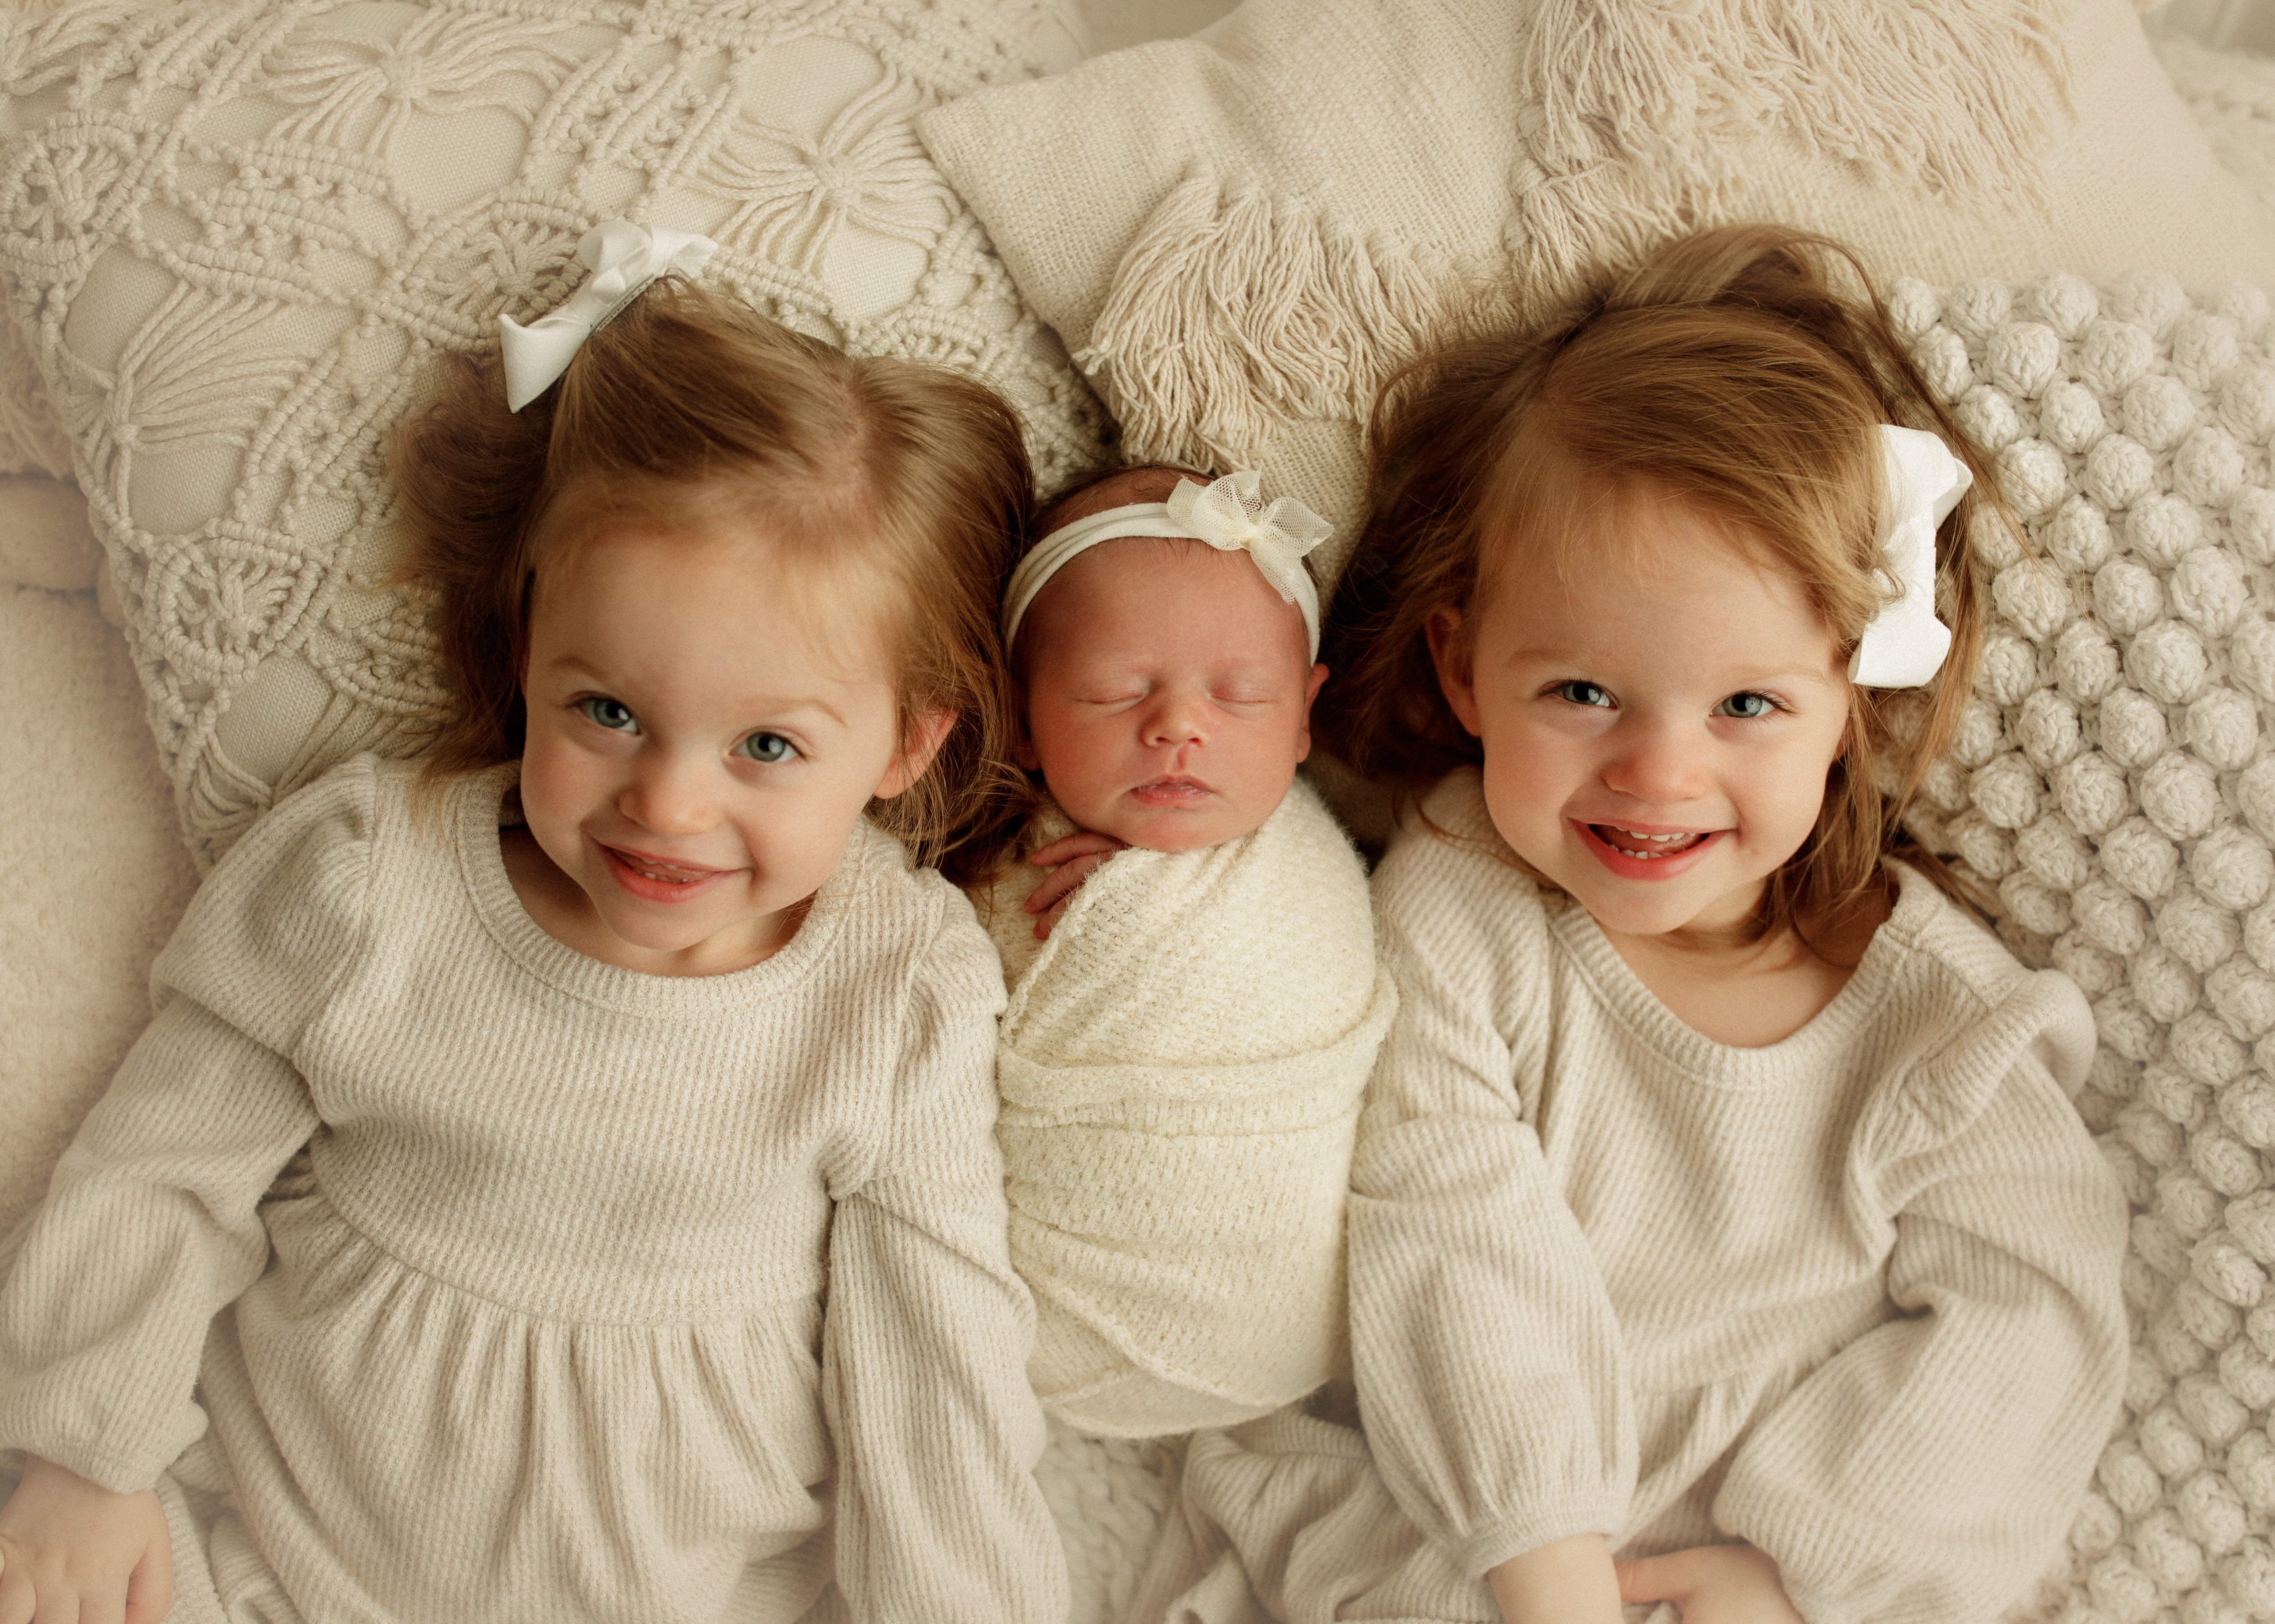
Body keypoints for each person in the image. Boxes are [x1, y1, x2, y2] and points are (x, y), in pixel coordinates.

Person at [0, 223, 1067, 1624]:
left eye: (766, 745)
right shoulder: (366, 879)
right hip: (279, 1541)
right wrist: (87, 1453)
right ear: (528, 646)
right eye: (608, 711)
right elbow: (163, 1164)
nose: (668, 804)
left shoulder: (895, 986)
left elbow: (937, 1356)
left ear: (904, 746)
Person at [1135, 225, 2129, 1624]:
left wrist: (1801, 1572)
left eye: (1747, 706)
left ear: (1853, 699)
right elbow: (1449, 1224)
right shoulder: (1468, 906)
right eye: (1586, 694)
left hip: (1763, 1569)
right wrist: (1543, 1567)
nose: (1657, 775)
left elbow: (2037, 1323)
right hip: (1463, 1522)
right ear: (1464, 666)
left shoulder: (1942, 1030)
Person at [972, 465, 1395, 1439]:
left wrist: (1148, 902)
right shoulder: (989, 867)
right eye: (1114, 692)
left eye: (1241, 695)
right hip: (1050, 1328)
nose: (1177, 726)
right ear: (1025, 715)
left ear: (1303, 719)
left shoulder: (1311, 866)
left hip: (1297, 1323)